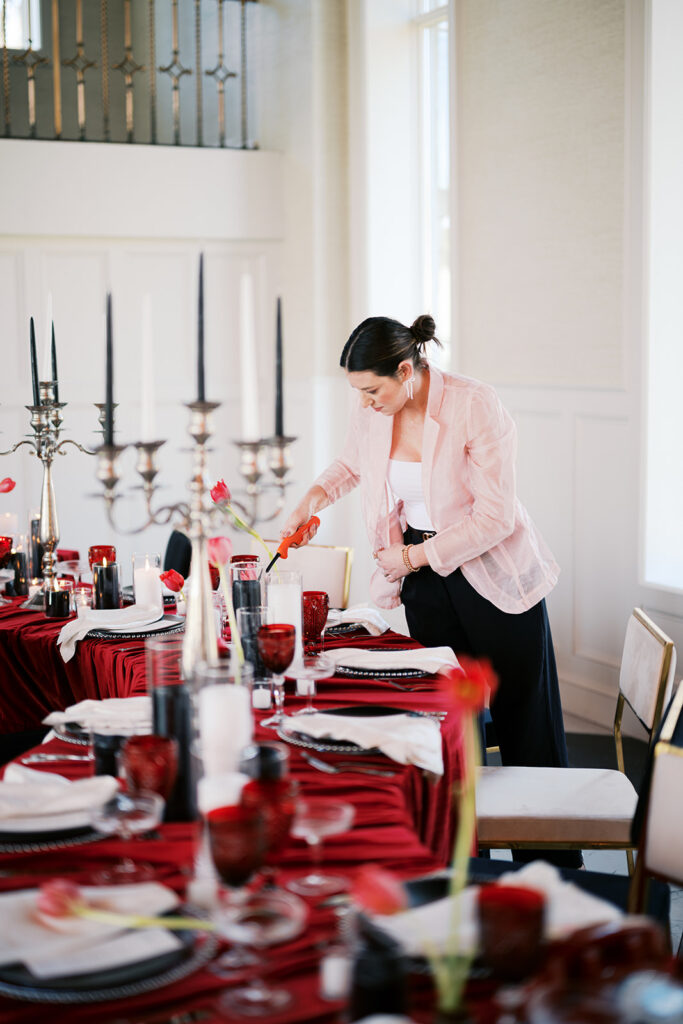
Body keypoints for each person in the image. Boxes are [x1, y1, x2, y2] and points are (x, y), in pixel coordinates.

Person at [282, 314, 581, 868]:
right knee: (447, 714)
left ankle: (551, 869)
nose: (366, 404)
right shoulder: (373, 404)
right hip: (422, 578)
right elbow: (352, 464)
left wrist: (413, 557)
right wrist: (312, 498)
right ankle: (462, 858)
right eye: (359, 394)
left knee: (524, 717)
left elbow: (495, 517)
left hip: (490, 571)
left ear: (406, 369)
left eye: (373, 391)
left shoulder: (475, 405)